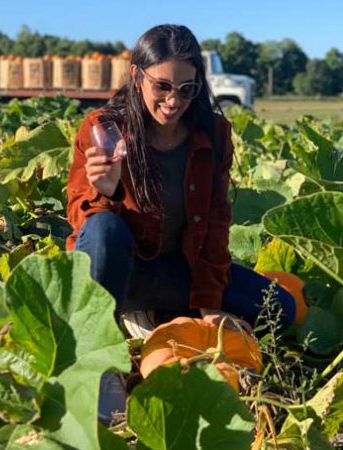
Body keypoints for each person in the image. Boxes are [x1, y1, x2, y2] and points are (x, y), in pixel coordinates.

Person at [66, 24, 299, 336]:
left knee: (282, 309)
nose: (173, 101)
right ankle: (97, 333)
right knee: (104, 228)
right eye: (162, 86)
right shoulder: (103, 128)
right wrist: (108, 193)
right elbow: (85, 225)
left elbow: (216, 221)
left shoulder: (214, 133)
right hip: (120, 269)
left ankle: (149, 312)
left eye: (186, 89)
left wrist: (210, 306)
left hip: (179, 270)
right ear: (137, 77)